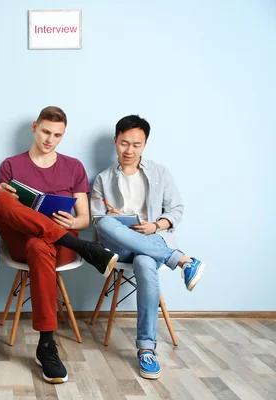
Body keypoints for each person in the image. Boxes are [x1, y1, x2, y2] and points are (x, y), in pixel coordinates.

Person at [0, 106, 119, 384]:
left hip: (54, 245)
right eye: (46, 132)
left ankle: (46, 345)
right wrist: (6, 195)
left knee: (39, 246)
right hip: (19, 240)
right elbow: (4, 212)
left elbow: (84, 218)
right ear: (35, 126)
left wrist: (73, 224)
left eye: (57, 135)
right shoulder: (12, 164)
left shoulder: (73, 167)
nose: (50, 139)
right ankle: (89, 250)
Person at [91, 114, 206, 380]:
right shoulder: (102, 179)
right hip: (118, 243)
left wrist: (155, 226)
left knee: (144, 261)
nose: (129, 150)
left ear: (145, 145)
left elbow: (176, 209)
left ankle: (146, 350)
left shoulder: (160, 173)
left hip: (151, 241)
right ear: (115, 141)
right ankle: (181, 260)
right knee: (107, 223)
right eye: (124, 143)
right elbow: (97, 221)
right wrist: (118, 220)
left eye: (136, 144)